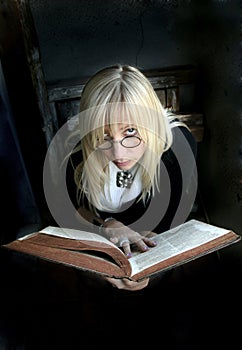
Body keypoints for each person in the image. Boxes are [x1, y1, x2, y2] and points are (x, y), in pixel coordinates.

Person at [66, 64, 197, 291]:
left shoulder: (177, 146)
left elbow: (168, 224)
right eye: (104, 135)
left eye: (130, 131)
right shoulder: (77, 152)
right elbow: (76, 210)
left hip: (156, 246)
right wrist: (107, 225)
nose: (118, 154)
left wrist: (142, 267)